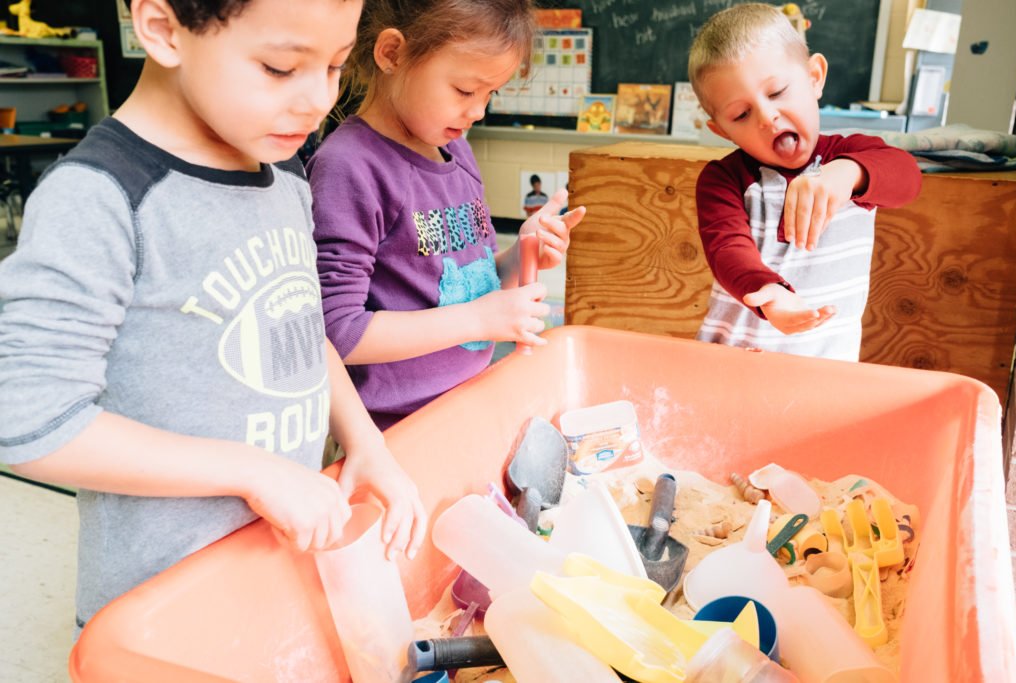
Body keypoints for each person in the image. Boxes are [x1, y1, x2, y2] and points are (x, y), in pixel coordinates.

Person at [0, 0, 425, 637]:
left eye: (335, 66)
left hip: (273, 568)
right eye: (280, 68)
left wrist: (367, 442)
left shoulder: (284, 175)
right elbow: (33, 420)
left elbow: (303, 331)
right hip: (162, 604)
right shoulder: (100, 196)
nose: (317, 101)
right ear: (163, 28)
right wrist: (252, 470)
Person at [308, 0, 586, 429]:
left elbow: (467, 284)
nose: (479, 111)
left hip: (469, 399)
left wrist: (522, 254)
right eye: (464, 91)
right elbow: (337, 332)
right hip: (397, 428)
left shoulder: (455, 151)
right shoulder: (349, 167)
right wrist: (480, 319)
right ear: (392, 54)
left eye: (490, 94)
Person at [688, 3, 921, 361]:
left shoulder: (854, 155)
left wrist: (848, 173)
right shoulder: (723, 180)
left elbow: (907, 179)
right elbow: (727, 250)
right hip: (732, 364)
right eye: (741, 114)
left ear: (814, 77)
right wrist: (769, 291)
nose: (767, 117)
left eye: (777, 91)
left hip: (827, 372)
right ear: (723, 131)